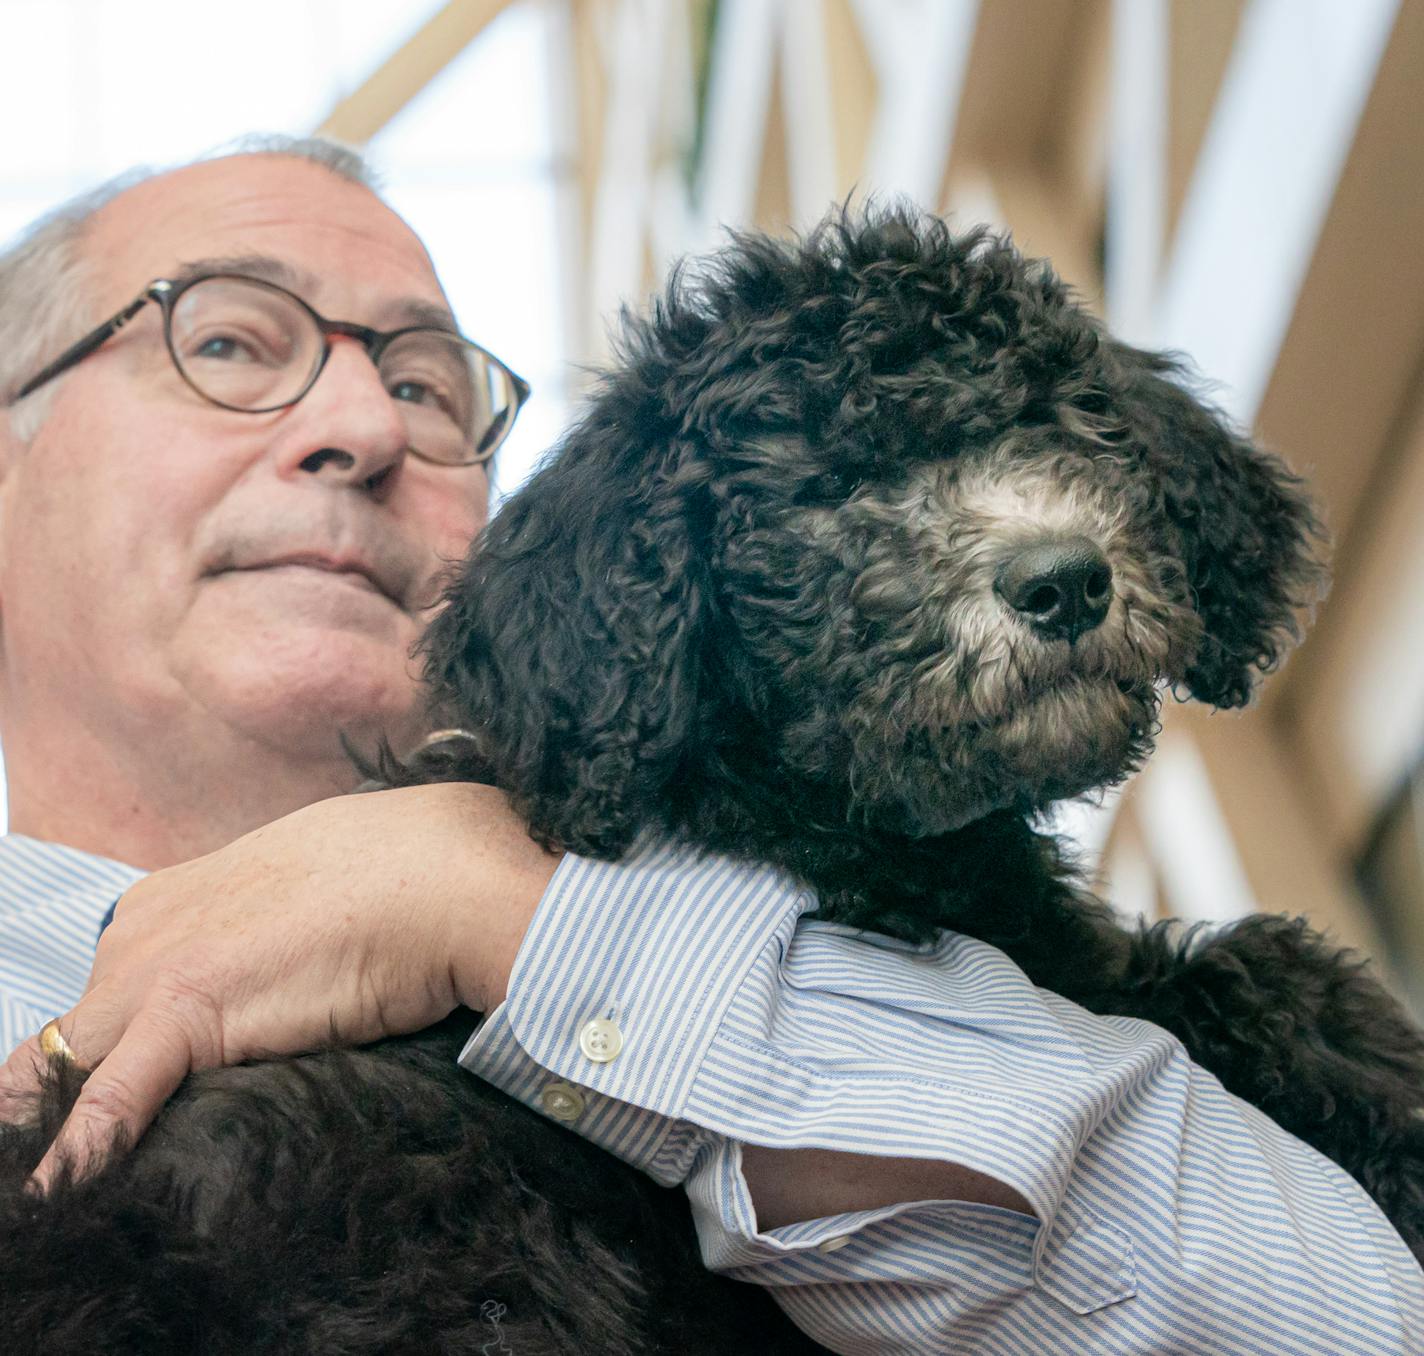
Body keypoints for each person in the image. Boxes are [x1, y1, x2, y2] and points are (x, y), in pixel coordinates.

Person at [0, 136, 1418, 1354]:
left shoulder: (998, 987)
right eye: (229, 341)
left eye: (431, 389)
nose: (367, 425)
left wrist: (511, 916)